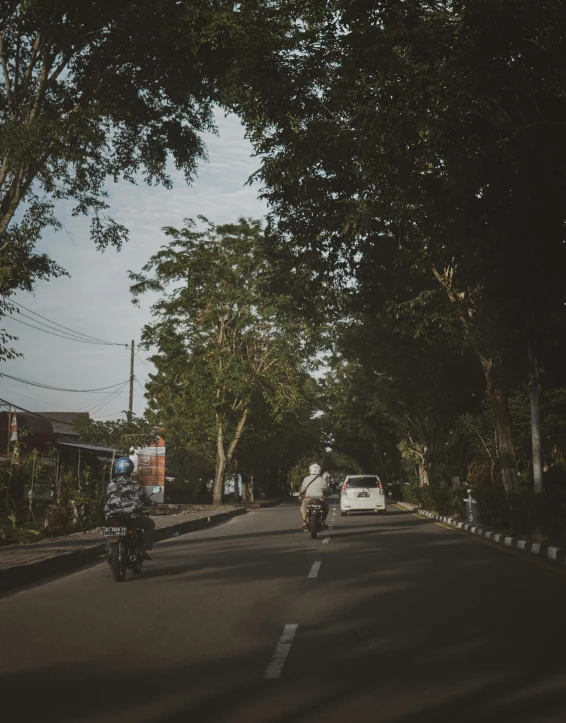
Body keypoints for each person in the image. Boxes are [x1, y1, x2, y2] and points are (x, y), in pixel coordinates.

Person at [104, 457, 155, 561]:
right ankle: (141, 550)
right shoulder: (136, 484)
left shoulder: (111, 484)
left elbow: (106, 499)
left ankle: (109, 550)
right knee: (150, 524)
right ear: (131, 469)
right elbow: (145, 499)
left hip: (111, 515)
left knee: (110, 529)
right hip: (131, 517)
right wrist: (153, 503)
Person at [299, 463, 330, 531]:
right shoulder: (322, 479)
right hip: (320, 498)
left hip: (308, 498)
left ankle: (304, 523)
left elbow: (302, 489)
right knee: (326, 508)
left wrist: (301, 494)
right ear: (319, 471)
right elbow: (327, 489)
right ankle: (323, 521)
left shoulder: (306, 479)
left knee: (303, 509)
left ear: (310, 470)